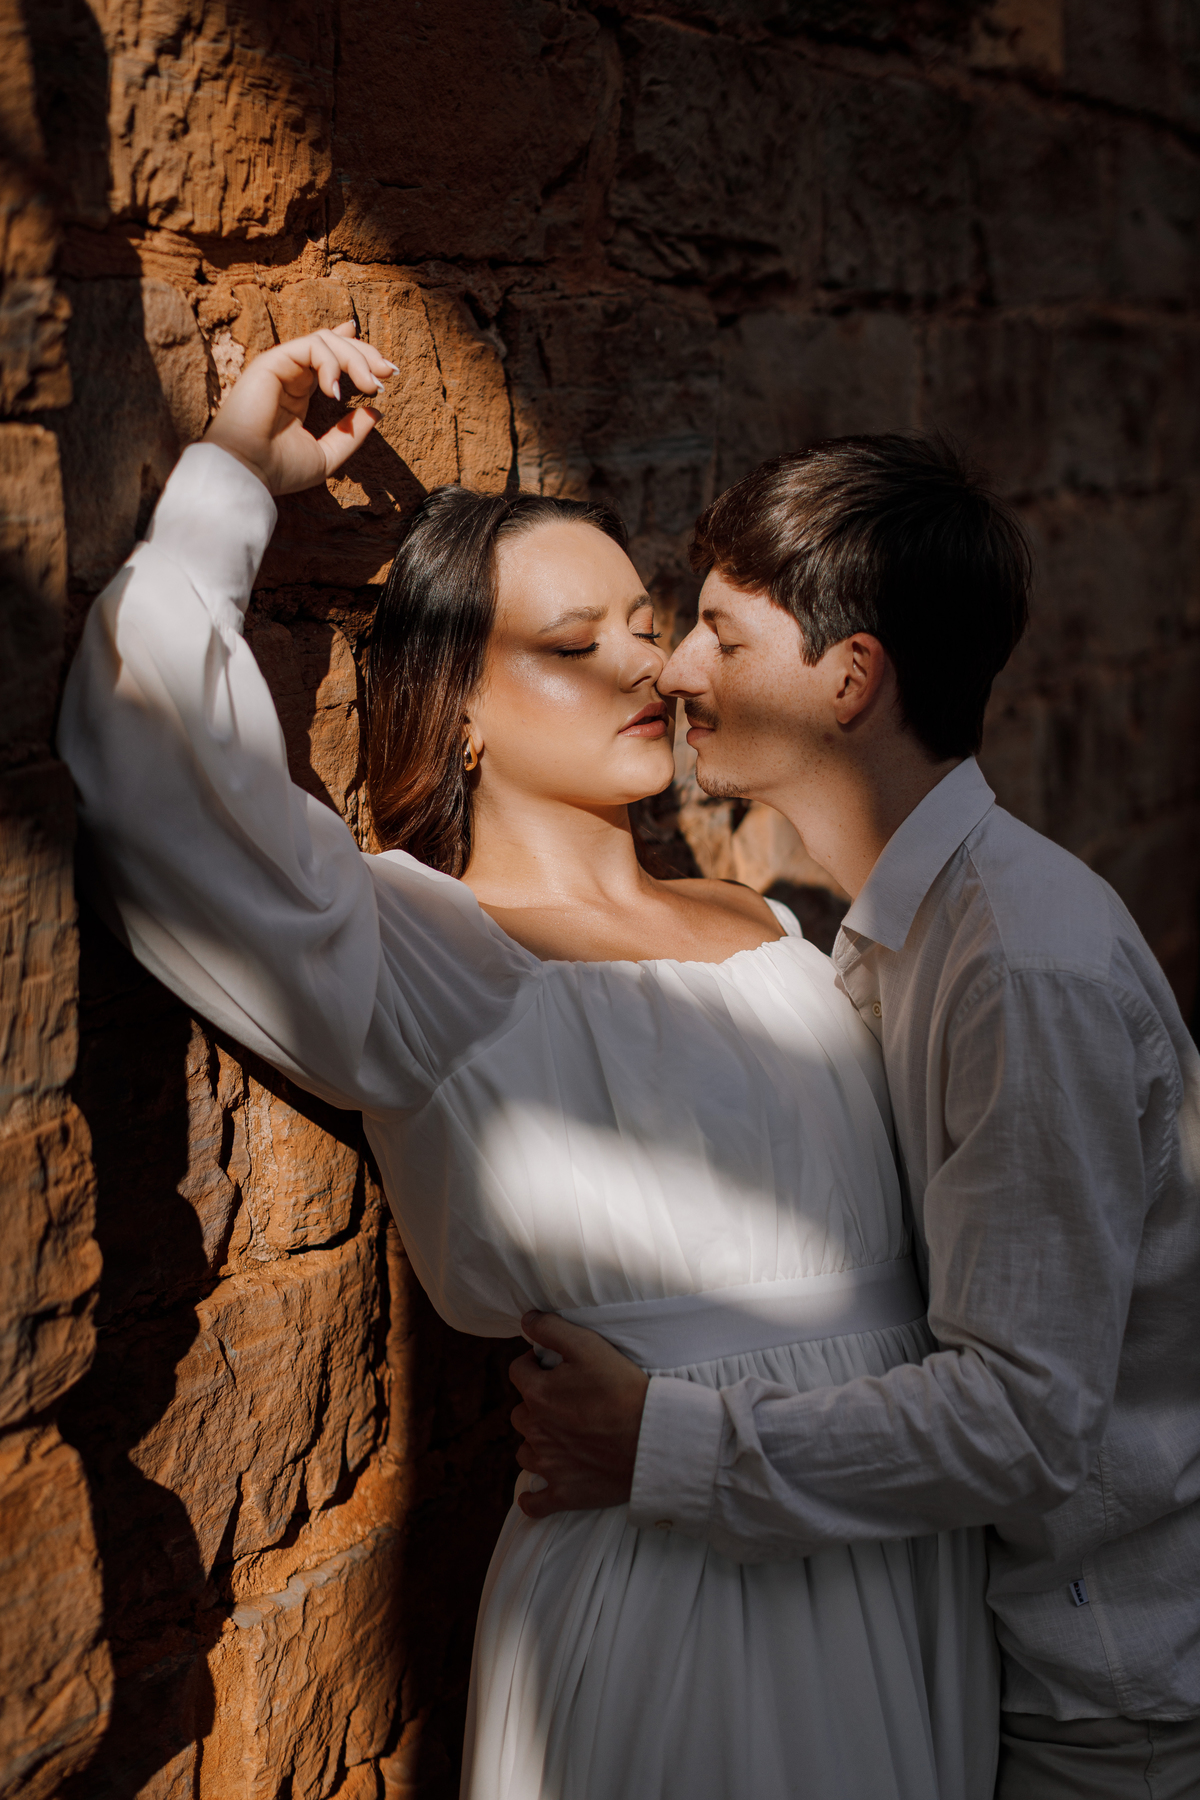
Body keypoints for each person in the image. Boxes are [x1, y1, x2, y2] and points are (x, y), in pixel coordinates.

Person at [58, 324, 1000, 1799]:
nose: (643, 661)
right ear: (466, 711)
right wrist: (238, 473)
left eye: (646, 621)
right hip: (682, 1581)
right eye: (574, 646)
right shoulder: (434, 949)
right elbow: (152, 761)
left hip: (899, 1542)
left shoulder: (767, 916)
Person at [509, 439, 1200, 1799]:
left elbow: (1022, 1416)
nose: (677, 671)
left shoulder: (1021, 964)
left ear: (851, 676)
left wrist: (658, 1438)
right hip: (993, 1651)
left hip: (1099, 1702)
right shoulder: (898, 937)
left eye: (718, 628)